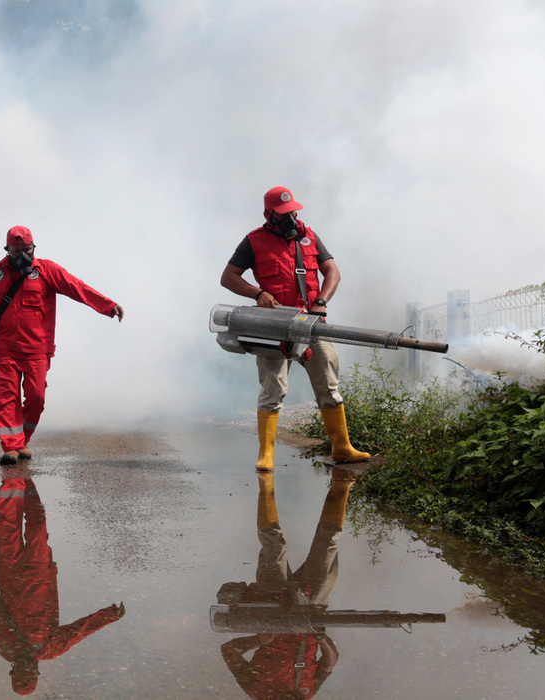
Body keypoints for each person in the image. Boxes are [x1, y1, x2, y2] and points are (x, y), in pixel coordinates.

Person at [219, 186, 369, 471]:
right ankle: (266, 455)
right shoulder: (253, 242)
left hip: (313, 326)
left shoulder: (309, 237)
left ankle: (342, 447)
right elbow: (228, 277)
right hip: (274, 328)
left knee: (329, 386)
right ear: (269, 215)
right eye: (284, 213)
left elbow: (333, 272)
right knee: (272, 390)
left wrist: (322, 301)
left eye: (294, 211)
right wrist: (257, 293)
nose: (292, 217)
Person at [0, 226, 124, 466]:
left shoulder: (47, 270)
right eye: (17, 251)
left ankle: (22, 440)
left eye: (26, 250)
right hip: (6, 349)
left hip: (37, 350)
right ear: (7, 250)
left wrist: (108, 306)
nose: (22, 256)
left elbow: (77, 287)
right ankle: (10, 447)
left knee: (36, 398)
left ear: (34, 248)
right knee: (6, 399)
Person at [0, 475, 126, 695]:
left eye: (19, 671)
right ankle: (27, 482)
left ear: (12, 670)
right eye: (29, 672)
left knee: (7, 525)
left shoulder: (5, 647)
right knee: (37, 525)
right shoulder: (52, 648)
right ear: (36, 672)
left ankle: (12, 480)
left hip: (10, 574)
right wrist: (109, 616)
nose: (25, 667)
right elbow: (79, 631)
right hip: (39, 572)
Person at [216, 468, 356, 699]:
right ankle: (343, 483)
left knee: (274, 545)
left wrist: (257, 640)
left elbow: (228, 651)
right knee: (328, 543)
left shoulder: (256, 691)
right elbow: (330, 662)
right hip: (313, 609)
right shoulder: (306, 694)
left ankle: (265, 480)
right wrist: (321, 637)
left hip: (271, 604)